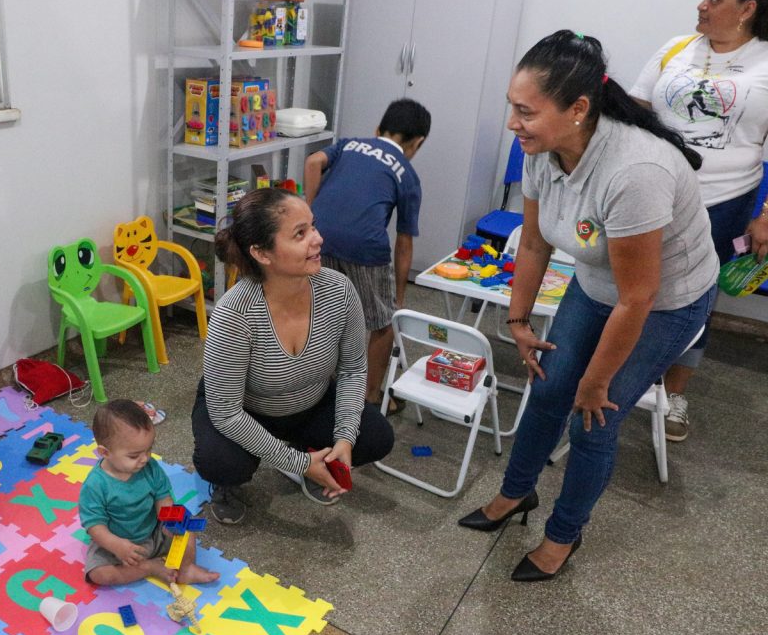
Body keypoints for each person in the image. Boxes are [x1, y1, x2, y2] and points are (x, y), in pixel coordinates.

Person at [458, 31, 719, 581]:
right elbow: (532, 243)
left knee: (593, 418)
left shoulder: (634, 172)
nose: (512, 122)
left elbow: (640, 296)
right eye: (512, 106)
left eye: (525, 111)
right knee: (549, 387)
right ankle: (515, 494)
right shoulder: (542, 149)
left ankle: (563, 535)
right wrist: (518, 319)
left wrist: (598, 381)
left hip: (664, 303)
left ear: (578, 109)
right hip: (600, 284)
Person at [192, 188, 394, 524]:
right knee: (222, 463)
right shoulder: (234, 314)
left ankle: (317, 457)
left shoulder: (339, 290)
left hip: (309, 402)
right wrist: (298, 465)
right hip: (244, 410)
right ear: (262, 253)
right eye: (300, 234)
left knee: (374, 437)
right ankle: (228, 484)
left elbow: (353, 370)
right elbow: (226, 413)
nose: (317, 239)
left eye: (312, 227)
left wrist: (344, 437)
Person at [630, 0, 768, 441]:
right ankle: (618, 373)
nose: (702, 4)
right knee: (632, 285)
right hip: (655, 193)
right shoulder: (676, 48)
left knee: (696, 298)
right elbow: (634, 114)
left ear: (747, 8)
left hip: (723, 202)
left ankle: (674, 395)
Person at [303, 99, 431, 411]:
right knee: (382, 323)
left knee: (323, 314)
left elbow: (312, 162)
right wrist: (398, 297)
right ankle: (371, 397)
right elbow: (404, 243)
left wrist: (310, 213)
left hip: (320, 239)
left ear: (377, 130)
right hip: (366, 247)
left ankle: (318, 387)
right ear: (418, 142)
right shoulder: (408, 175)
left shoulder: (348, 145)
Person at [79, 399, 219, 586]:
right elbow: (95, 526)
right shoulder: (95, 485)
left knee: (187, 526)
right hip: (118, 544)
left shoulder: (150, 468)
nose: (145, 459)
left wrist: (170, 522)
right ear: (104, 452)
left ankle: (186, 569)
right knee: (99, 575)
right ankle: (149, 567)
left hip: (154, 532)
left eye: (149, 450)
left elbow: (164, 499)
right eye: (134, 455)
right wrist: (117, 546)